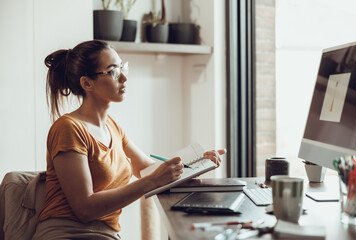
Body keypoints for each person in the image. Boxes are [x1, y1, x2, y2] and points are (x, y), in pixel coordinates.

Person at [32, 40, 226, 240]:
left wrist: (195, 165)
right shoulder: (69, 128)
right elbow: (85, 208)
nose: (124, 78)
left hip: (104, 234)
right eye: (113, 71)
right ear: (87, 83)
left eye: (122, 67)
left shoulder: (113, 128)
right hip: (67, 233)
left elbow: (149, 170)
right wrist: (152, 181)